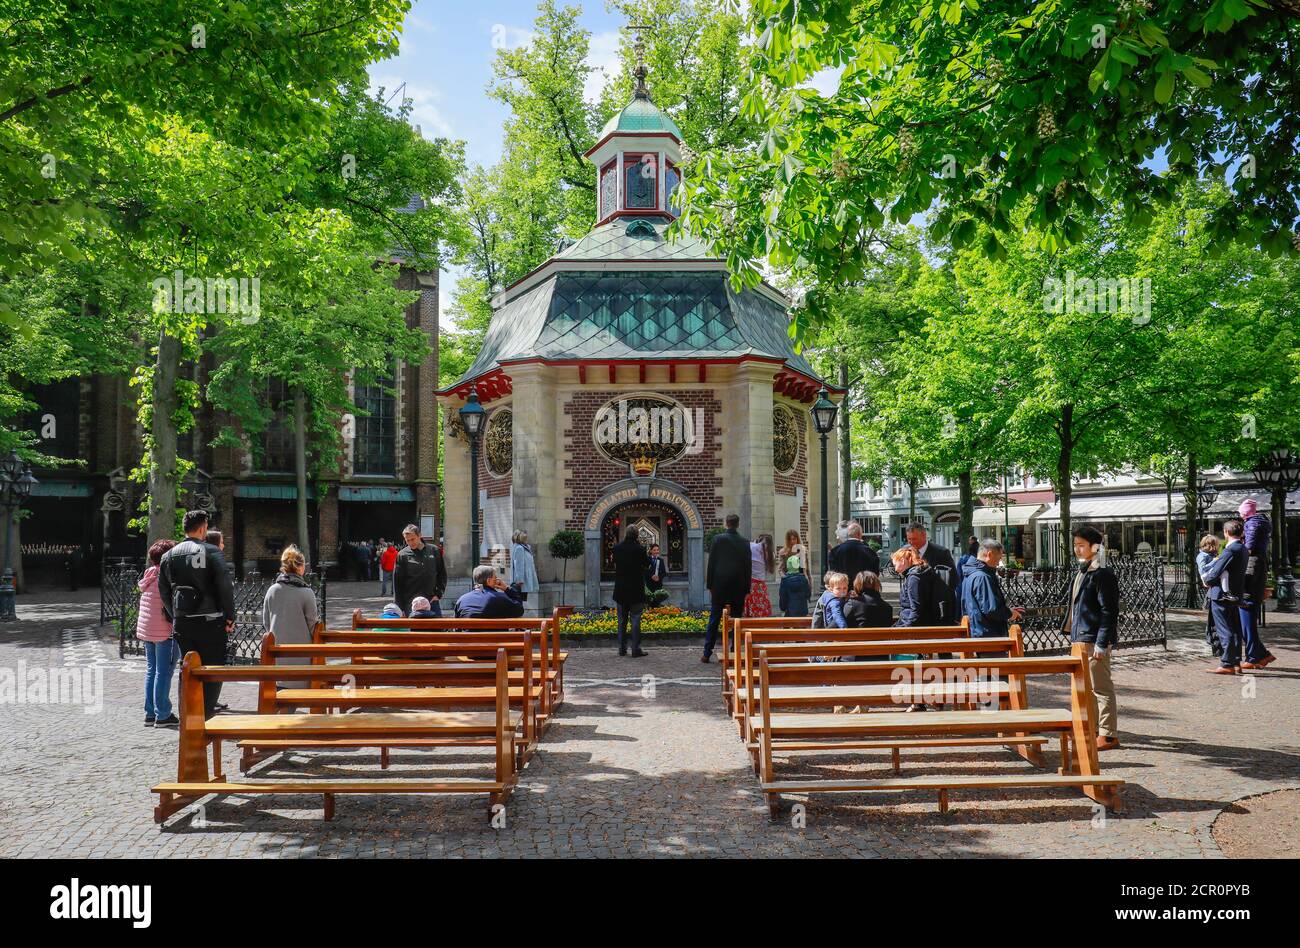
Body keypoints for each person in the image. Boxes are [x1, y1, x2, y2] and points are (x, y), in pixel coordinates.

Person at [158, 510, 235, 719]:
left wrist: (174, 614)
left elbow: (163, 590)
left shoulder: (168, 556)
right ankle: (206, 715)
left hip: (183, 622)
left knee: (187, 668)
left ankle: (187, 714)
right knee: (212, 668)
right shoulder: (212, 552)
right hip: (211, 621)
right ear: (203, 527)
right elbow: (224, 586)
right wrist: (230, 615)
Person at [1062, 525, 1121, 750]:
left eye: (1081, 545)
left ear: (1095, 547)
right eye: (1075, 545)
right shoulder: (1084, 571)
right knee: (1086, 687)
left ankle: (1108, 734)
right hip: (1080, 637)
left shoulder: (1102, 573)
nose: (1077, 549)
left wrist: (1102, 641)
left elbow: (1109, 611)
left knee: (1101, 687)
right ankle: (1094, 728)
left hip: (1093, 638)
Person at [261, 545, 319, 692]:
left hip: (277, 653)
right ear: (300, 568)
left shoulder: (272, 590)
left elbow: (266, 622)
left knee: (280, 692)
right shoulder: (306, 592)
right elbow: (313, 625)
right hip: (301, 655)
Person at [136, 538, 178, 727]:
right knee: (164, 672)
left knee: (152, 671)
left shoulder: (149, 575)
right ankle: (162, 714)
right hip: (164, 631)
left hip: (148, 631)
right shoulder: (167, 577)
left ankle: (150, 712)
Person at [1200, 518, 1251, 674]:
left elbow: (1216, 571)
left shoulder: (1230, 550)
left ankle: (1227, 663)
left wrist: (1207, 580)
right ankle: (1236, 662)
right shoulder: (1243, 549)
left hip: (1221, 595)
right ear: (1241, 533)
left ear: (1226, 533)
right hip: (1234, 594)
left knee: (1224, 629)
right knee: (1235, 628)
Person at [702, 513, 751, 663]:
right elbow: (748, 567)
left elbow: (712, 564)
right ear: (738, 524)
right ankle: (734, 650)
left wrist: (709, 584)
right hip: (738, 585)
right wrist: (747, 589)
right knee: (736, 620)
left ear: (726, 523)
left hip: (720, 585)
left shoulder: (718, 539)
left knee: (714, 619)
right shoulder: (744, 542)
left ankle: (706, 652)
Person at [1238, 499, 1276, 669]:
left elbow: (1250, 546)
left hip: (1251, 573)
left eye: (1241, 512)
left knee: (1247, 617)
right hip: (1257, 570)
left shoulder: (1252, 524)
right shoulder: (1261, 523)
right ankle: (1262, 656)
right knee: (1247, 621)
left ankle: (1254, 657)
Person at [960, 538, 1024, 638]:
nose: (999, 563)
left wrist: (1008, 611)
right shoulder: (982, 577)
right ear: (989, 555)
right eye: (999, 558)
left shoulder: (971, 572)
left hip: (978, 632)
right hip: (988, 635)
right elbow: (991, 609)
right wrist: (1010, 614)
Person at [905, 522, 958, 624]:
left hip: (935, 610)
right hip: (914, 609)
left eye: (914, 539)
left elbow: (953, 580)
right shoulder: (906, 552)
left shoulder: (941, 553)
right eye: (909, 539)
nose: (911, 542)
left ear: (924, 535)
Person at [394, 523, 447, 617]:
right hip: (411, 603)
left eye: (412, 539)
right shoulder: (402, 555)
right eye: (407, 540)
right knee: (415, 630)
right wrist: (399, 606)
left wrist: (438, 594)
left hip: (431, 600)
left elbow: (442, 574)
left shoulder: (434, 550)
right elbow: (397, 583)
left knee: (437, 629)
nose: (410, 542)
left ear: (420, 535)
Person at [612, 528, 650, 657]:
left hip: (621, 590)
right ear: (637, 535)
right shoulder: (640, 549)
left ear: (625, 534)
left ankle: (622, 649)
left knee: (622, 620)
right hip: (636, 590)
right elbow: (647, 563)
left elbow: (614, 562)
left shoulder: (617, 548)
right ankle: (636, 649)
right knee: (636, 619)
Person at [893, 545, 944, 627]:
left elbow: (916, 608)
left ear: (902, 561)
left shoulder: (914, 577)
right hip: (924, 622)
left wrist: (905, 628)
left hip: (914, 625)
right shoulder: (920, 573)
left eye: (895, 564)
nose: (895, 569)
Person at [455, 565, 526, 619]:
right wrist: (507, 589)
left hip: (468, 638)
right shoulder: (498, 598)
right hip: (495, 638)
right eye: (495, 578)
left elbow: (457, 626)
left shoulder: (462, 600)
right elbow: (519, 610)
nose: (497, 580)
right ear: (488, 581)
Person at [1196, 534, 1222, 658]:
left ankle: (1216, 645)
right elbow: (1203, 570)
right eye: (1217, 544)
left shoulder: (1212, 555)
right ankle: (1213, 643)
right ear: (1210, 545)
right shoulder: (1203, 556)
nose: (1219, 546)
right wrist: (1214, 562)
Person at [744, 533, 775, 618]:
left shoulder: (753, 547)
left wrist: (756, 541)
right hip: (761, 585)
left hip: (751, 584)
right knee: (761, 611)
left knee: (750, 609)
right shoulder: (771, 554)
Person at [510, 530, 540, 607]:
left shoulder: (523, 547)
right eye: (525, 538)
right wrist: (519, 580)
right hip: (520, 583)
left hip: (522, 581)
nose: (527, 539)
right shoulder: (519, 548)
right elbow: (519, 565)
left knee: (520, 602)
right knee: (518, 603)